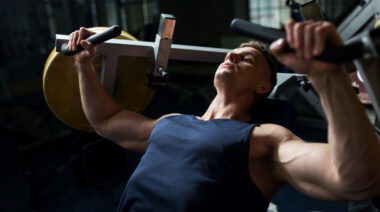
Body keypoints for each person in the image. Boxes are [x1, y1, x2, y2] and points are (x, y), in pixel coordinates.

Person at [67, 20, 380, 211]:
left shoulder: (264, 139)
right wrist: (83, 64)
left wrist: (327, 76)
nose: (231, 55)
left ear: (264, 86)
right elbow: (106, 121)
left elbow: (356, 181)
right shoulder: (171, 121)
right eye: (233, 54)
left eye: (246, 59)